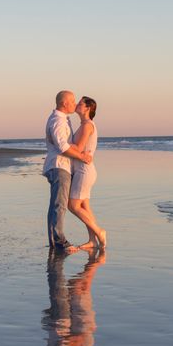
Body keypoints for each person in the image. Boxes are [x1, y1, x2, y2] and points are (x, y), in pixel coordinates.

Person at [43, 91, 92, 251]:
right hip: (59, 166)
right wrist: (82, 157)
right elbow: (62, 147)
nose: (75, 103)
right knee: (59, 205)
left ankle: (56, 241)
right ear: (64, 103)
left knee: (58, 204)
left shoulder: (62, 119)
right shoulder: (58, 120)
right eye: (72, 101)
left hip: (62, 166)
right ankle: (59, 242)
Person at [68, 97, 107, 249]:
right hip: (83, 170)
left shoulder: (87, 125)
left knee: (72, 205)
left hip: (84, 171)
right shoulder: (84, 125)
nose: (76, 104)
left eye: (80, 103)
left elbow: (78, 148)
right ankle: (93, 240)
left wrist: (60, 144)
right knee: (84, 207)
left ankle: (99, 231)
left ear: (88, 108)